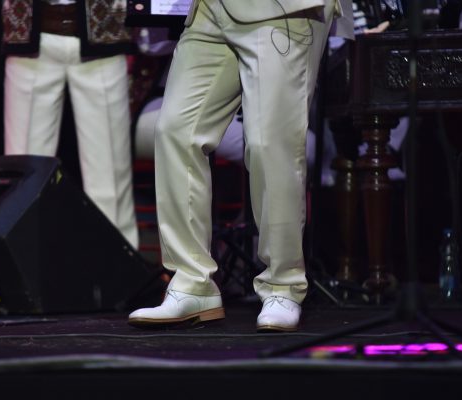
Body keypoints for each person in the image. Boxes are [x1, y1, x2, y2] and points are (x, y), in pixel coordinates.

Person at [128, 0, 354, 332]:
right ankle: (191, 283)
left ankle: (282, 285)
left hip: (282, 9)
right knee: (176, 131)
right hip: (210, 9)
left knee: (269, 144)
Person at [1, 0, 139, 249]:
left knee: (109, 174)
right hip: (29, 31)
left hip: (103, 33)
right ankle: (21, 262)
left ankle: (116, 264)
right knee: (23, 171)